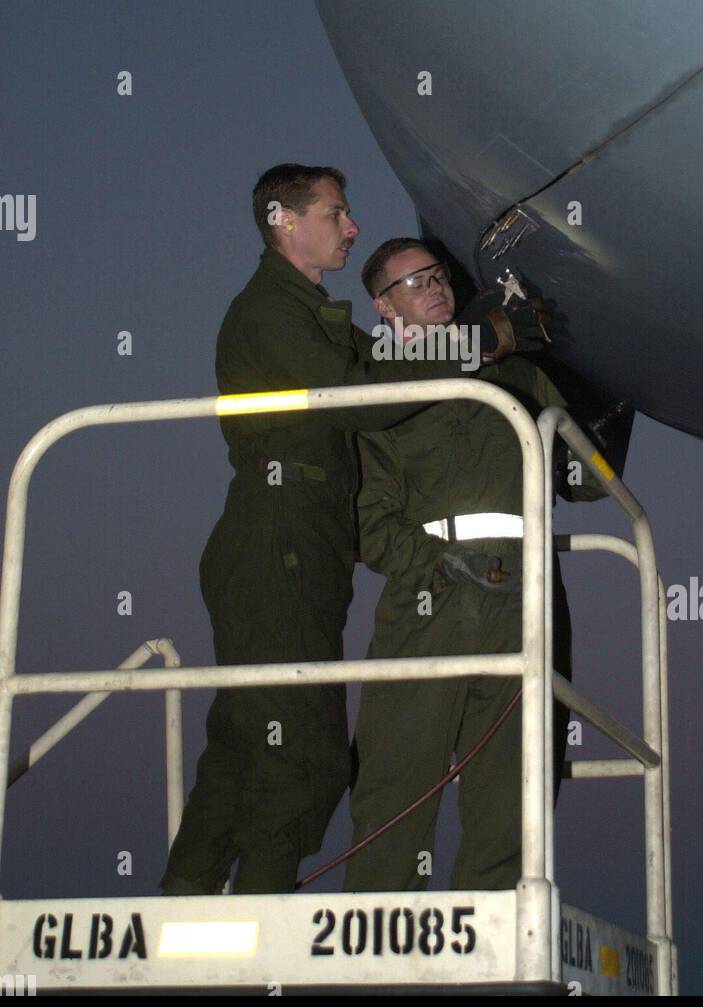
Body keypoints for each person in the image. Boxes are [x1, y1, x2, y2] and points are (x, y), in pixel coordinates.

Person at [160, 167, 544, 896]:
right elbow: (366, 395)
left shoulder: (308, 314)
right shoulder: (271, 314)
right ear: (284, 221)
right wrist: (480, 340)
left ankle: (183, 909)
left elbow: (383, 364)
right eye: (336, 213)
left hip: (304, 541)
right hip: (277, 538)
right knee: (302, 754)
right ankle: (259, 924)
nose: (352, 226)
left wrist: (485, 341)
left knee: (249, 739)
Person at [344, 238, 605, 893]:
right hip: (428, 599)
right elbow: (365, 520)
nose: (434, 288)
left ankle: (492, 961)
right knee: (397, 781)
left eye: (437, 276)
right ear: (382, 306)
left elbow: (589, 481)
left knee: (516, 791)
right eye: (414, 283)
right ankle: (375, 959)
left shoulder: (517, 374)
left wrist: (584, 374)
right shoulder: (378, 387)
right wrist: (436, 569)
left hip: (528, 593)